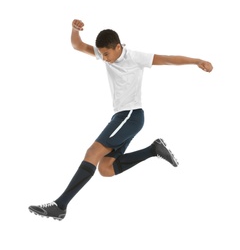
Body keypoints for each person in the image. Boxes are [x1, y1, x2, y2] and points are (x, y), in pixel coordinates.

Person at [29, 19, 213, 220]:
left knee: (93, 151)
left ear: (118, 46)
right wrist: (74, 30)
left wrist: (196, 61)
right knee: (106, 169)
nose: (104, 58)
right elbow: (78, 46)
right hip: (122, 117)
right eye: (102, 54)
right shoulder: (104, 53)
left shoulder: (135, 57)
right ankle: (153, 149)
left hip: (130, 115)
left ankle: (60, 205)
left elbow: (168, 59)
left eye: (107, 53)